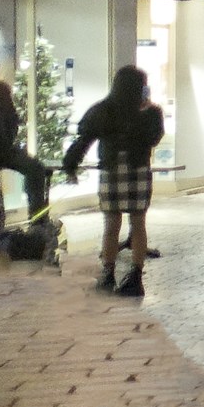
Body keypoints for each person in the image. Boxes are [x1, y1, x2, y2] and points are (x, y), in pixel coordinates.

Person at [62, 66, 163, 296]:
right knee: (138, 224)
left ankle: (107, 274)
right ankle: (135, 277)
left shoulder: (103, 109)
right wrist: (147, 111)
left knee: (111, 226)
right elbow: (154, 138)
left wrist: (70, 165)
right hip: (138, 170)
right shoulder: (150, 113)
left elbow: (84, 139)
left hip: (112, 170)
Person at [0, 54, 53, 232]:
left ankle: (38, 220)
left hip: (3, 146)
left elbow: (11, 118)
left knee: (35, 168)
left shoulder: (1, 90)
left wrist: (8, 137)